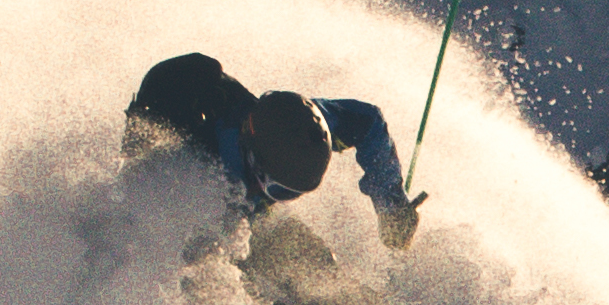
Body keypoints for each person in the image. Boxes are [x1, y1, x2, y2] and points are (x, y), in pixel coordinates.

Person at [124, 51, 423, 252]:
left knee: (300, 255)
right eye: (280, 191)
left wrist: (391, 203)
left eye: (292, 193)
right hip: (204, 208)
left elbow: (368, 123)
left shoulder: (296, 120)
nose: (279, 199)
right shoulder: (202, 178)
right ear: (253, 162)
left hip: (214, 116)